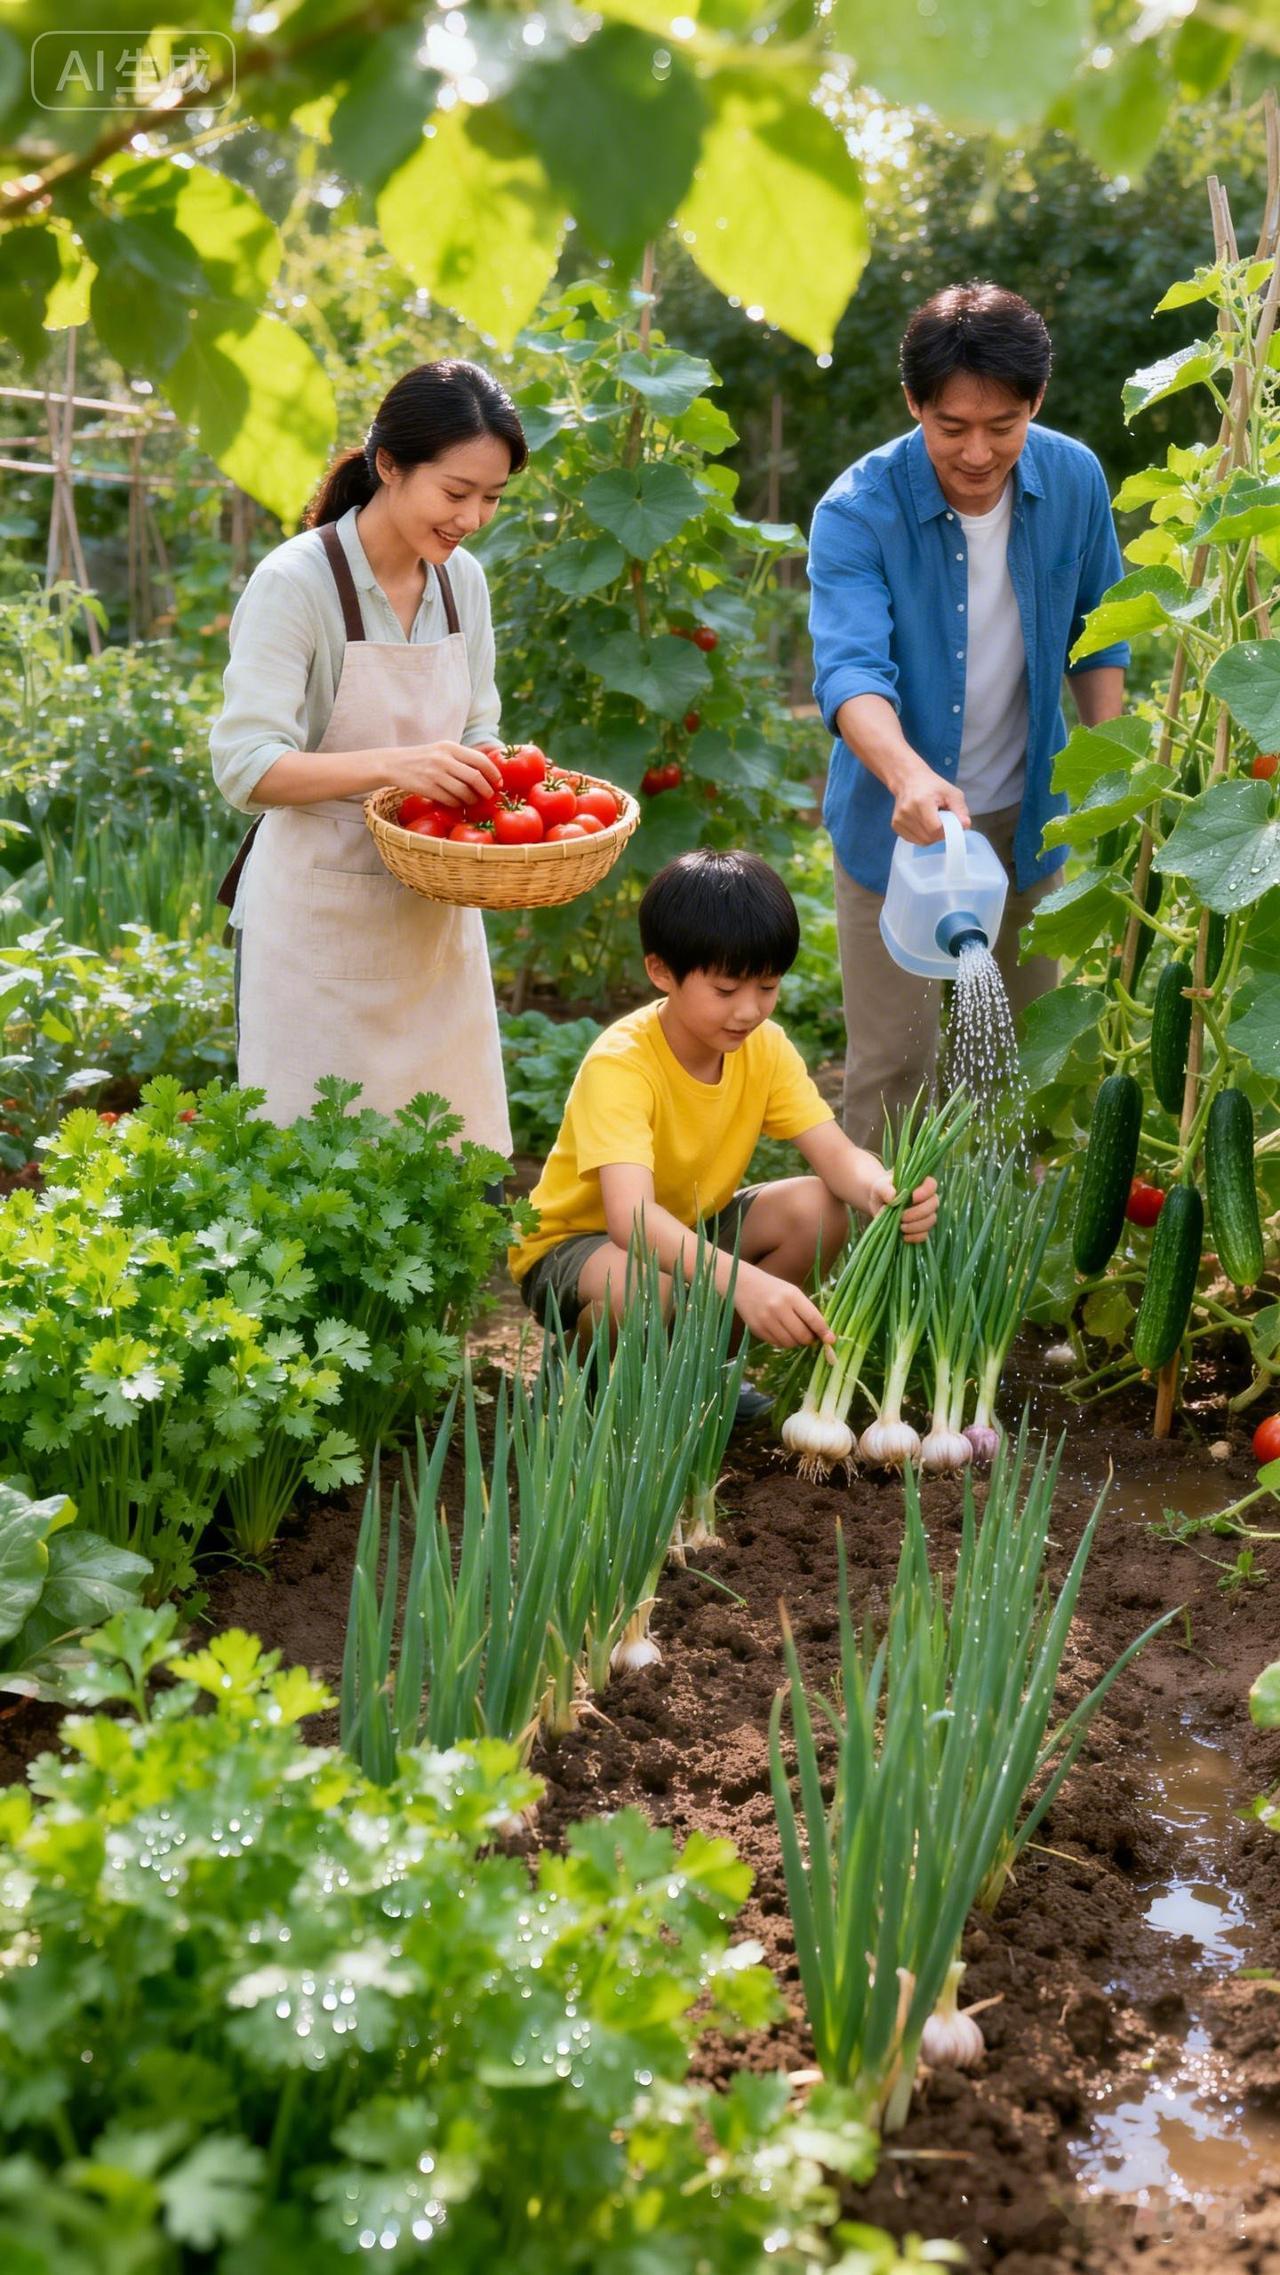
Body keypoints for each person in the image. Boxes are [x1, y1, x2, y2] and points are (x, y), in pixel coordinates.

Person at [808, 281, 1129, 1151]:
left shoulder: (1072, 480)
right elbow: (849, 672)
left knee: (1013, 1072)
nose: (978, 452)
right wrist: (909, 778)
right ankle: (886, 1239)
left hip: (1028, 820)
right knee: (894, 1071)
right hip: (897, 826)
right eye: (951, 427)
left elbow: (1101, 632)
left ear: (1037, 401)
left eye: (1003, 425)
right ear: (913, 403)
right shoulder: (858, 511)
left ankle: (1000, 1234)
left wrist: (1109, 770)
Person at [210, 359, 528, 1143]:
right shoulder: (296, 583)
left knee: (446, 1158)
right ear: (389, 465)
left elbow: (478, 724)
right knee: (316, 1164)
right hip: (315, 926)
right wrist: (398, 765)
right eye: (456, 492)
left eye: (492, 497)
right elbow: (246, 766)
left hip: (431, 919)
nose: (473, 518)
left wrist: (499, 773)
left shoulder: (462, 583)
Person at [508, 849, 938, 1359]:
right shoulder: (622, 1064)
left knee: (817, 1210)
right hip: (576, 1247)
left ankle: (707, 1374)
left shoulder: (765, 1047)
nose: (749, 1010)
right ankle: (584, 1379)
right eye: (726, 989)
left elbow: (837, 1154)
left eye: (768, 986)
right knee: (648, 1289)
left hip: (684, 1232)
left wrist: (880, 1187)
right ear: (661, 971)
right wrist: (746, 1283)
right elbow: (632, 1220)